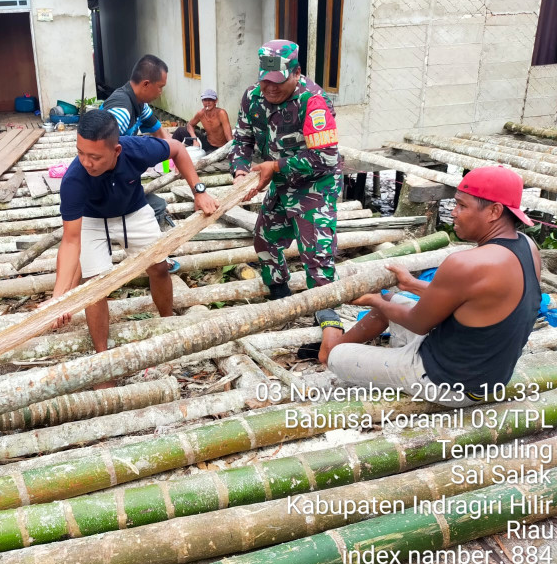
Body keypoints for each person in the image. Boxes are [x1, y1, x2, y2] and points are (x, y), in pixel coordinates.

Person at [318, 166, 541, 407]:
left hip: (448, 383)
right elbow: (474, 301)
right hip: (488, 376)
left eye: (462, 206)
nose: (453, 213)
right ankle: (347, 347)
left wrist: (373, 299)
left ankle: (333, 351)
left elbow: (418, 323)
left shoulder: (466, 263)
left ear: (494, 211)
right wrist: (412, 284)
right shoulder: (527, 246)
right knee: (390, 302)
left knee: (338, 355)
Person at [48, 110, 219, 388]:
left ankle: (167, 324)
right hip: (93, 219)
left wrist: (199, 191)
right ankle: (103, 361)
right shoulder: (74, 179)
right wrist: (59, 298)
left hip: (134, 211)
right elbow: (70, 240)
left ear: (116, 150)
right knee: (95, 286)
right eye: (80, 153)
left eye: (95, 157)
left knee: (159, 268)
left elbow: (178, 150)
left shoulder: (137, 149)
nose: (86, 162)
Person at [230, 40, 342, 300]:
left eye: (278, 81)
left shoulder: (313, 101)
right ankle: (279, 295)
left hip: (315, 185)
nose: (270, 88)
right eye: (265, 80)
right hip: (281, 183)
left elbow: (325, 157)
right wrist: (240, 173)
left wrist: (275, 166)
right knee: (265, 240)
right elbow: (242, 140)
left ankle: (325, 315)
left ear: (296, 72)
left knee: (317, 254)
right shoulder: (253, 97)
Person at [102, 55, 173, 229]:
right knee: (157, 208)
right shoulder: (122, 111)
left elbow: (161, 134)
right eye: (160, 87)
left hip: (124, 182)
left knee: (158, 204)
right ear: (146, 84)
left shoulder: (140, 104)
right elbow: (100, 153)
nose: (160, 92)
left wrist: (174, 159)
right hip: (106, 187)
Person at [172, 89, 233, 153]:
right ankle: (169, 153)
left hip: (220, 146)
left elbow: (228, 135)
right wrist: (194, 139)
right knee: (180, 130)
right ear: (202, 101)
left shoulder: (221, 113)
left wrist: (231, 147)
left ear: (216, 101)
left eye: (210, 100)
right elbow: (190, 125)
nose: (207, 103)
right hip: (207, 142)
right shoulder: (201, 113)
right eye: (205, 100)